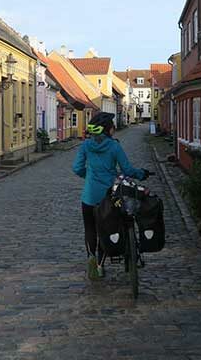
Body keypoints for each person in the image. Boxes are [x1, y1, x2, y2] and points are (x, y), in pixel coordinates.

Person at [72, 112, 149, 280]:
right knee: (107, 229)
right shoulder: (114, 146)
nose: (114, 129)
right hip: (110, 197)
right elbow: (128, 170)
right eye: (112, 127)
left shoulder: (85, 146)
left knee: (90, 229)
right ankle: (101, 264)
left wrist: (90, 177)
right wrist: (142, 174)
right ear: (108, 130)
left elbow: (77, 168)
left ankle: (93, 264)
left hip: (89, 196)